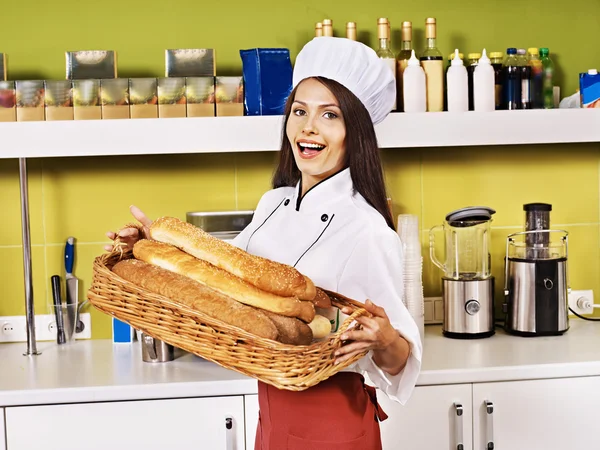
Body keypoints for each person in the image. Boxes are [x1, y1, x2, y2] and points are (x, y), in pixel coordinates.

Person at [106, 36, 422, 449]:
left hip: (332, 423)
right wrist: (150, 246)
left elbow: (397, 361)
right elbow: (220, 276)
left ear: (354, 133)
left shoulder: (368, 230)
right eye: (300, 111)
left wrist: (385, 338)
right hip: (273, 416)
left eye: (330, 115)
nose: (308, 127)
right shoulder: (274, 203)